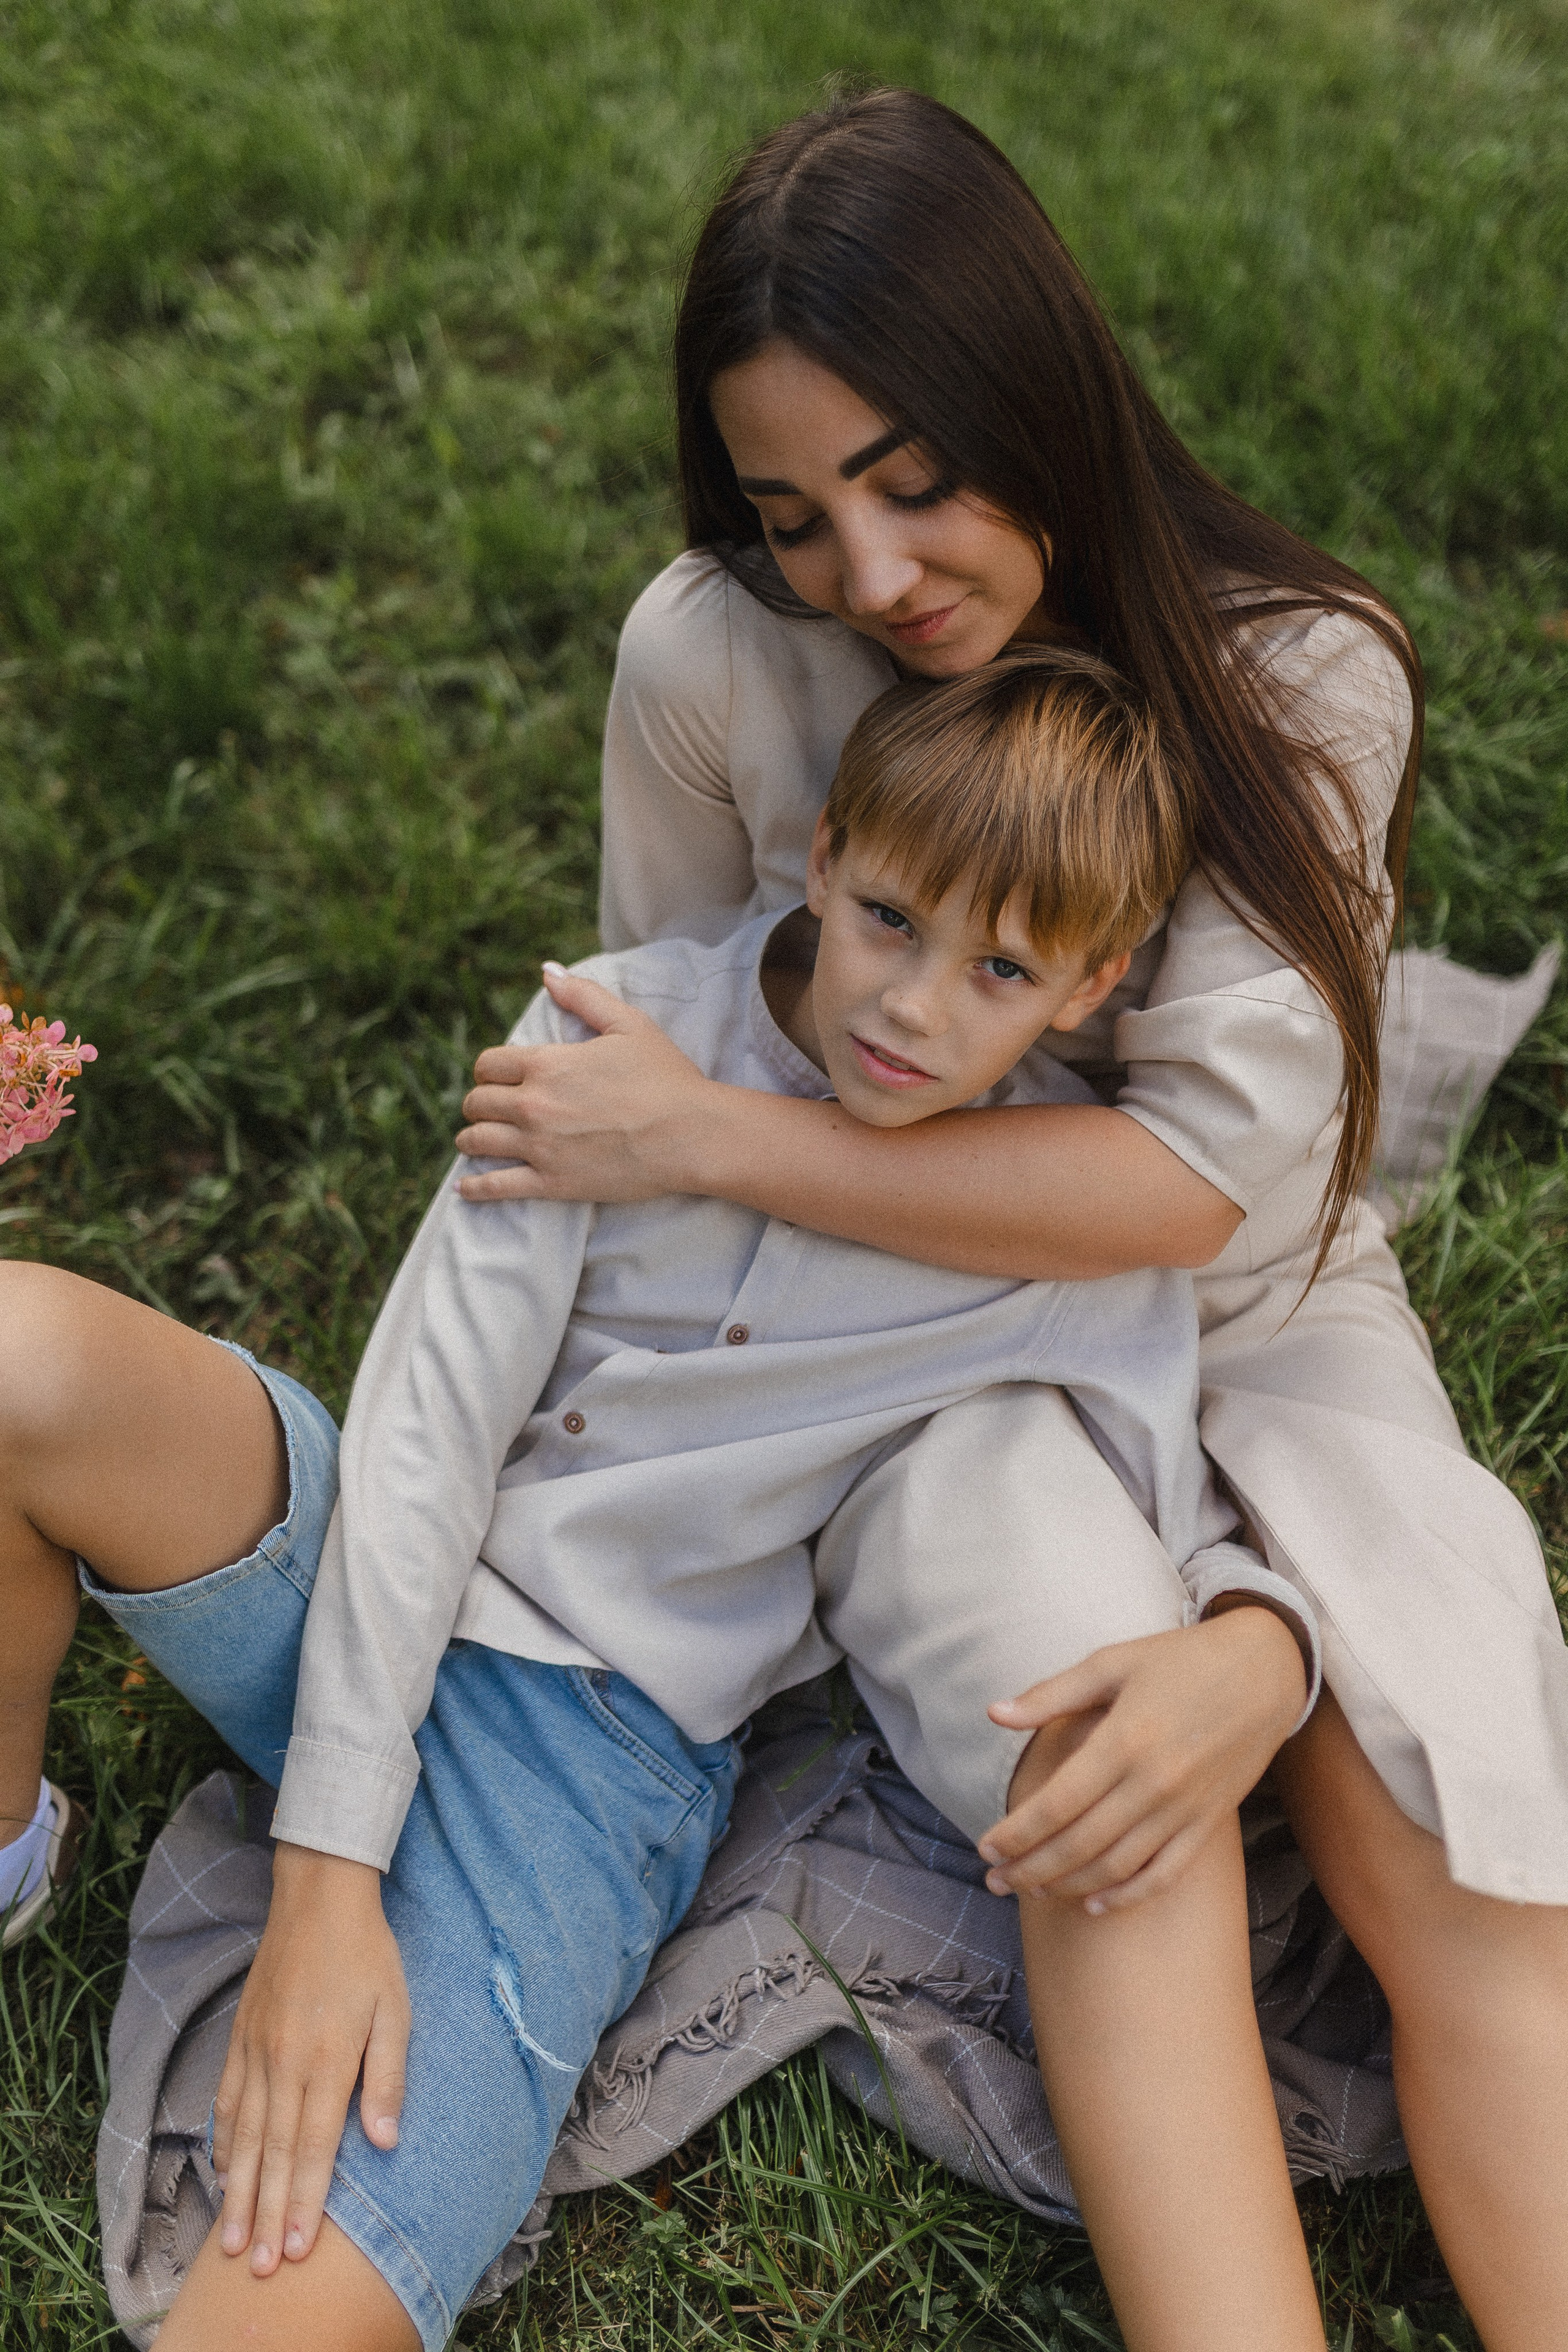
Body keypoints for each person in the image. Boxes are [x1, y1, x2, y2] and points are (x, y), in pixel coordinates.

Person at [452, 87, 1568, 2352]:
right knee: (1103, 1776)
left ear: (1030, 398)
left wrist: (705, 1145)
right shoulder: (710, 659)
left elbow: (1198, 1188)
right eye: (794, 514)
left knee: (1458, 1835)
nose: (868, 579)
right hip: (912, 1346)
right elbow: (672, 1029)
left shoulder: (1303, 673)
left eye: (914, 481)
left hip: (1258, 1316)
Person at [1, 650, 1319, 2351]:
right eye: (895, 917)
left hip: (582, 1747)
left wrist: (1254, 1631)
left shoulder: (1055, 1234)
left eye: (1002, 969)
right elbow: (423, 1435)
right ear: (829, 852)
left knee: (278, 2306)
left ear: (1093, 985)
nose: (915, 1008)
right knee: (25, 1352)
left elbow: (1168, 1481)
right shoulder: (610, 1037)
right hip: (355, 1563)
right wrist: (325, 1884)